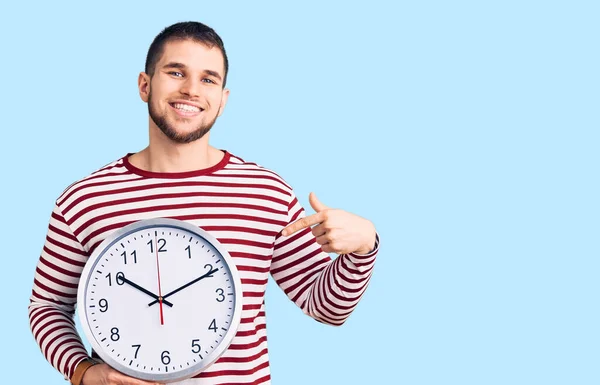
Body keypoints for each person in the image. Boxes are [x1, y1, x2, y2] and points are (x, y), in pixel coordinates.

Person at [28, 21, 379, 385]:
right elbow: (47, 307)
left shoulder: (265, 193)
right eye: (176, 72)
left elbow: (326, 308)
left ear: (223, 100)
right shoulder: (85, 199)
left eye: (208, 79)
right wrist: (83, 372)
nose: (191, 90)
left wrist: (363, 247)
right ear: (145, 85)